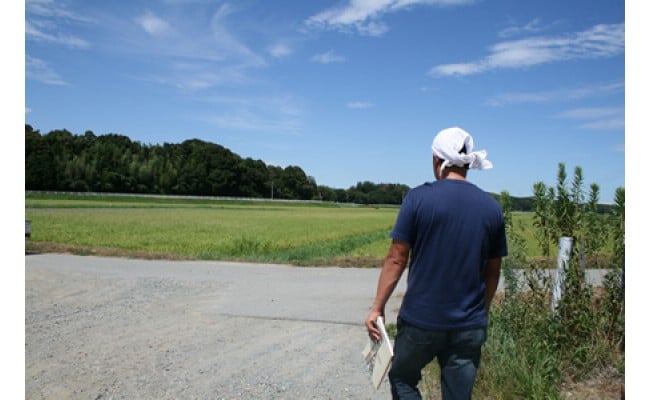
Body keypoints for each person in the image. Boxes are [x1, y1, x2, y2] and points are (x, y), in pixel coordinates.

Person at [365, 126, 507, 400]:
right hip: (469, 325)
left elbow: (396, 258)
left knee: (402, 379)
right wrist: (483, 311)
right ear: (466, 163)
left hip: (421, 320)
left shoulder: (418, 199)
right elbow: (493, 270)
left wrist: (377, 308)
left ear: (436, 159)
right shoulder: (492, 208)